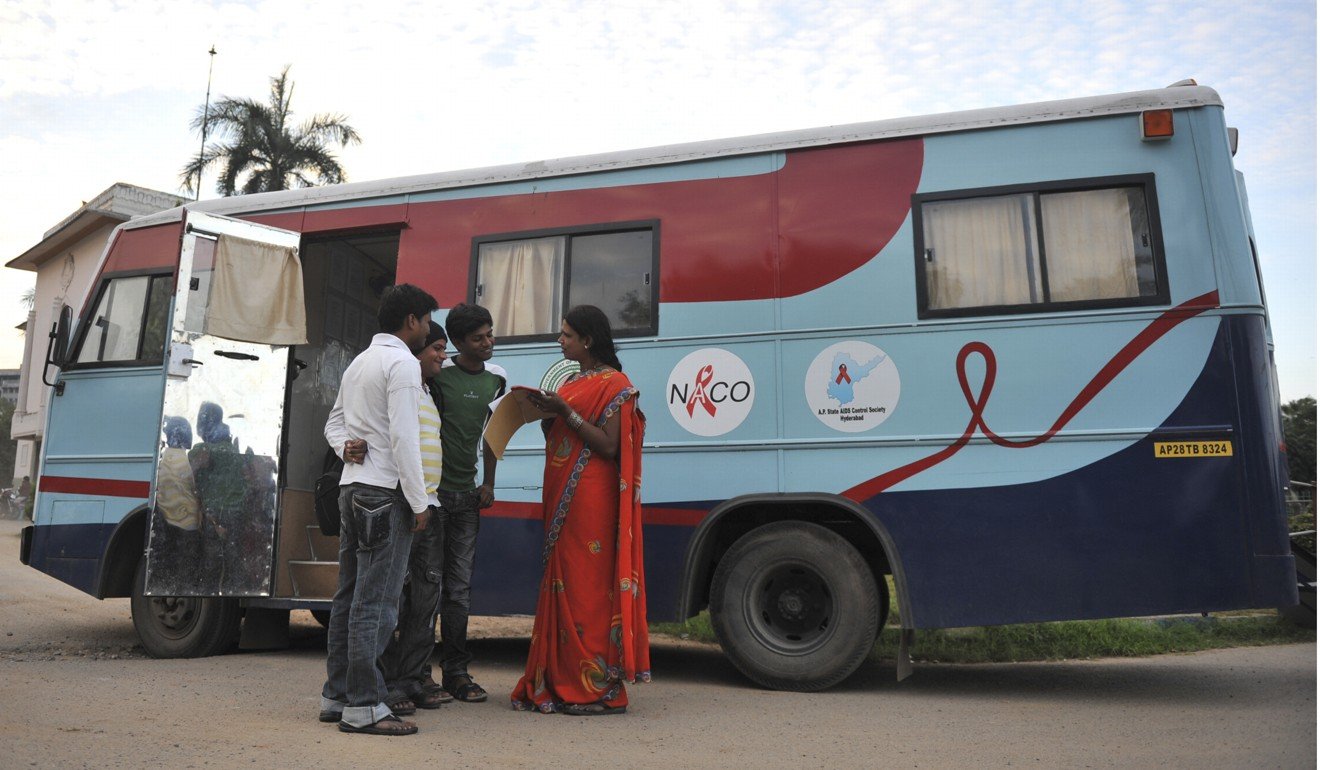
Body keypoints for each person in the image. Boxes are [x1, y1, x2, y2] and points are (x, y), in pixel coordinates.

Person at [511, 305, 650, 715]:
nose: (560, 340)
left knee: (588, 587)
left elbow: (608, 446)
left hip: (591, 498)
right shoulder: (573, 380)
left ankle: (594, 688)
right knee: (563, 583)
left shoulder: (616, 384)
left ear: (587, 340)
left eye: (567, 335)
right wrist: (545, 415)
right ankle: (556, 681)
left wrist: (564, 412)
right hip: (562, 497)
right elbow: (563, 432)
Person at [319, 283, 438, 736]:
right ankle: (365, 706)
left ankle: (337, 695)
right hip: (386, 492)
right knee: (378, 602)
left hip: (352, 491)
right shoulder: (403, 364)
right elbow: (406, 439)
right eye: (426, 321)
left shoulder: (359, 362)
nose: (427, 330)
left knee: (348, 599)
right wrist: (418, 498)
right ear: (411, 321)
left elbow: (334, 421)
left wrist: (345, 447)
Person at [430, 302, 507, 703]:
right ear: (458, 343)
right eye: (478, 338)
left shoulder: (497, 382)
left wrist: (490, 482)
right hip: (434, 497)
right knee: (426, 586)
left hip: (469, 497)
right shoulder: (438, 377)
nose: (488, 342)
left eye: (490, 334)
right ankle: (416, 674)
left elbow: (494, 434)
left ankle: (456, 674)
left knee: (458, 590)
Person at [379, 321, 454, 713]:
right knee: (396, 598)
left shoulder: (430, 391)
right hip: (409, 506)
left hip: (431, 506)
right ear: (418, 351)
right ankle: (387, 682)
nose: (443, 356)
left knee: (426, 598)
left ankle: (411, 680)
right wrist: (415, 502)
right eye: (437, 348)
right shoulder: (402, 388)